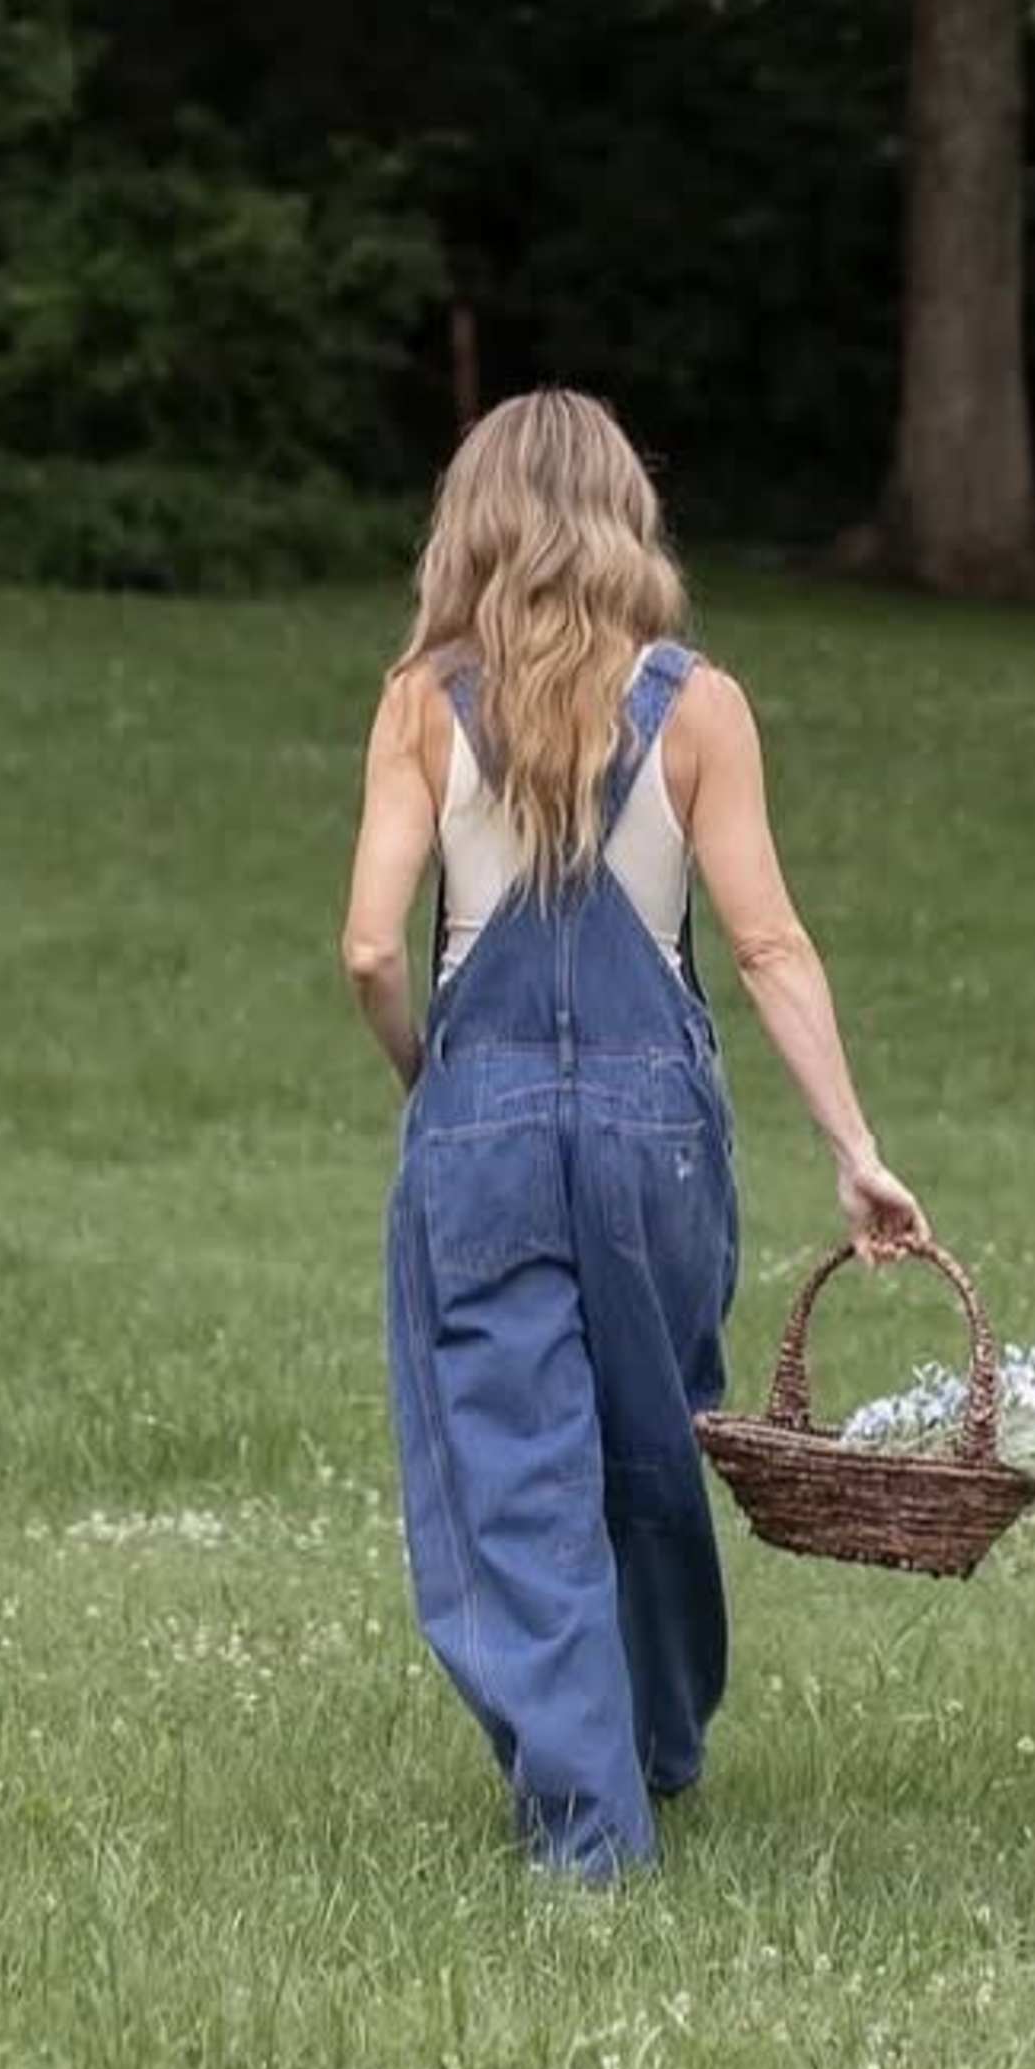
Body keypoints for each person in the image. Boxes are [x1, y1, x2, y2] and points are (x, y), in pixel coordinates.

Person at [339, 389, 924, 1880]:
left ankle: (587, 1823)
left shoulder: (422, 702)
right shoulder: (697, 705)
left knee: (508, 1465)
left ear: (470, 522)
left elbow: (366, 948)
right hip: (656, 1132)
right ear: (624, 519)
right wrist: (856, 1149)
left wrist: (431, 1076)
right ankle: (656, 1740)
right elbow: (771, 946)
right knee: (652, 1443)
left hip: (481, 1132)